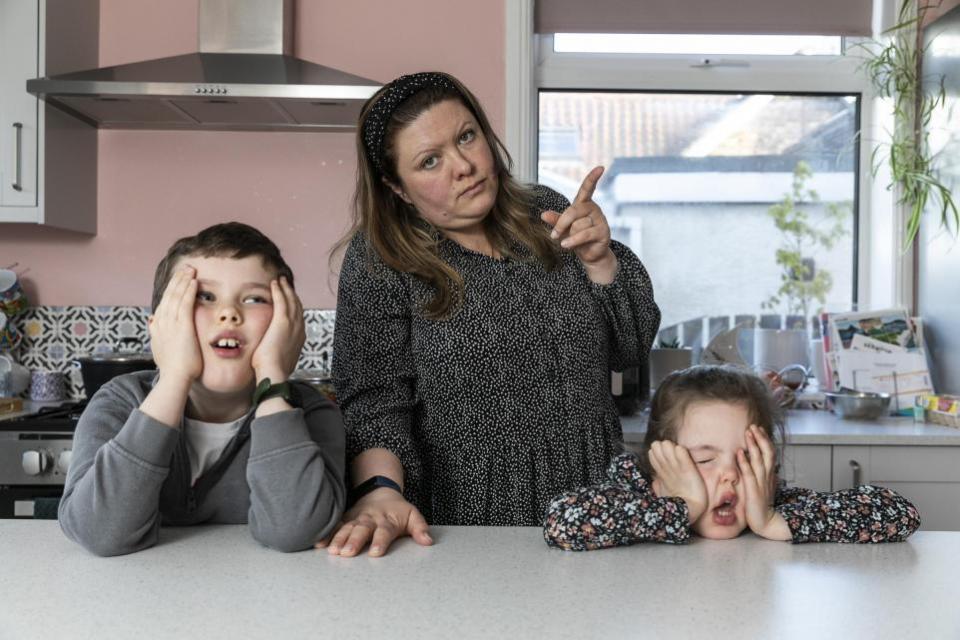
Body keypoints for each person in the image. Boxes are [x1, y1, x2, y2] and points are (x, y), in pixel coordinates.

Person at [323, 71, 660, 557]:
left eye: (466, 137)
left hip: (596, 503)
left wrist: (601, 261)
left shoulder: (546, 213)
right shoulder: (381, 258)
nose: (463, 166)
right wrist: (380, 490)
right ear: (396, 187)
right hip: (469, 519)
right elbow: (375, 403)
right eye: (430, 161)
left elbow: (629, 351)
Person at [59, 222, 346, 556]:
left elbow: (294, 531)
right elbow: (100, 533)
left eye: (254, 299)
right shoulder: (118, 402)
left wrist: (272, 375)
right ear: (160, 326)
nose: (228, 314)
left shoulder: (311, 414)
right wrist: (175, 375)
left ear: (289, 325)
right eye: (204, 297)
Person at [543, 365, 921, 550]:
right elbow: (562, 522)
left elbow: (898, 513)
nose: (730, 476)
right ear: (660, 466)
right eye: (704, 461)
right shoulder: (637, 489)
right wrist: (682, 506)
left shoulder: (768, 500)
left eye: (745, 459)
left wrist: (773, 521)